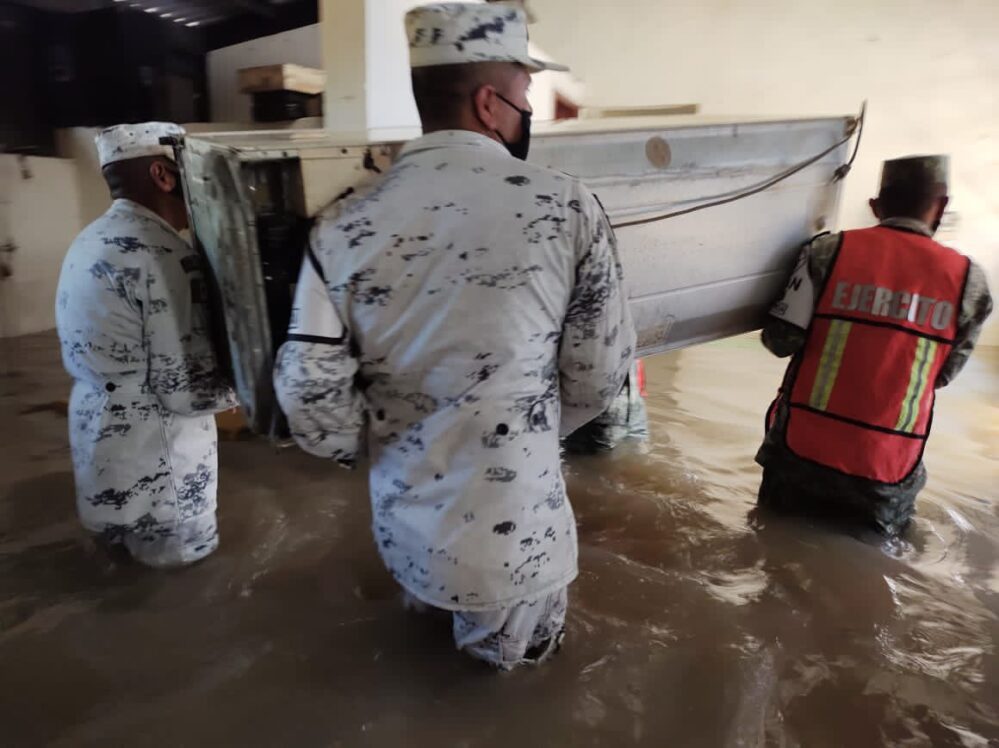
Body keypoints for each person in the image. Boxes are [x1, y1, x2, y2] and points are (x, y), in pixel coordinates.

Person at [273, 2, 634, 669]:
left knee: (419, 670)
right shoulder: (567, 207)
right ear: (490, 102)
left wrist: (391, 446)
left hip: (406, 532)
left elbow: (310, 400)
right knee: (512, 700)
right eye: (525, 95)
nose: (528, 112)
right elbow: (598, 374)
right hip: (515, 542)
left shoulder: (342, 225)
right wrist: (519, 434)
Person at [756, 155, 993, 537]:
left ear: (875, 206)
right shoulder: (970, 283)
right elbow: (943, 375)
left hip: (801, 453)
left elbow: (780, 341)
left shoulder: (827, 253)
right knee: (870, 576)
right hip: (886, 468)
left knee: (773, 552)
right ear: (942, 205)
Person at [56, 122, 236, 568]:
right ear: (163, 174)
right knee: (185, 593)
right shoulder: (165, 255)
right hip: (161, 466)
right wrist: (249, 391)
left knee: (119, 581)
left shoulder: (89, 240)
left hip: (100, 446)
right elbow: (184, 388)